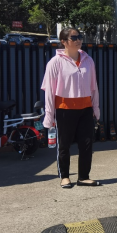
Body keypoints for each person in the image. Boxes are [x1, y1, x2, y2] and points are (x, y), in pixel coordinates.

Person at [41, 27, 101, 188]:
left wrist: (96, 108)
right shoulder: (55, 62)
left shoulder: (88, 60)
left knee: (87, 144)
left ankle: (83, 177)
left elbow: (93, 86)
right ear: (64, 42)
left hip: (85, 108)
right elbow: (49, 91)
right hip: (64, 109)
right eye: (74, 38)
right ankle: (65, 177)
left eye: (79, 37)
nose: (78, 40)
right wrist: (49, 115)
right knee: (64, 144)